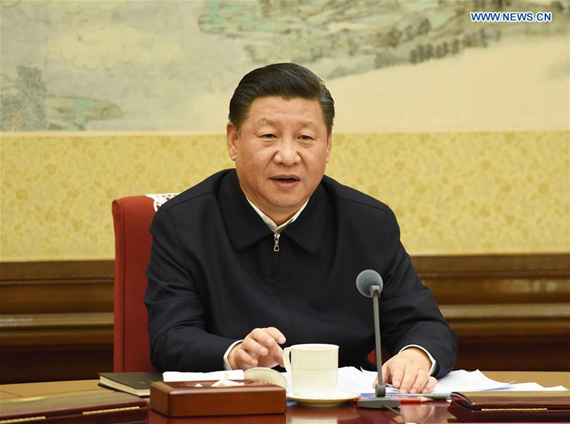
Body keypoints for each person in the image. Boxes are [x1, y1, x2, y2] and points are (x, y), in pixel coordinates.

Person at [145, 63, 457, 394]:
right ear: (233, 140)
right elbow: (171, 336)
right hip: (240, 404)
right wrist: (234, 354)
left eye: (305, 138)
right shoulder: (184, 223)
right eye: (268, 136)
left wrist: (415, 356)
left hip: (346, 408)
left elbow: (424, 324)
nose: (288, 155)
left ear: (328, 146)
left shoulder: (368, 223)